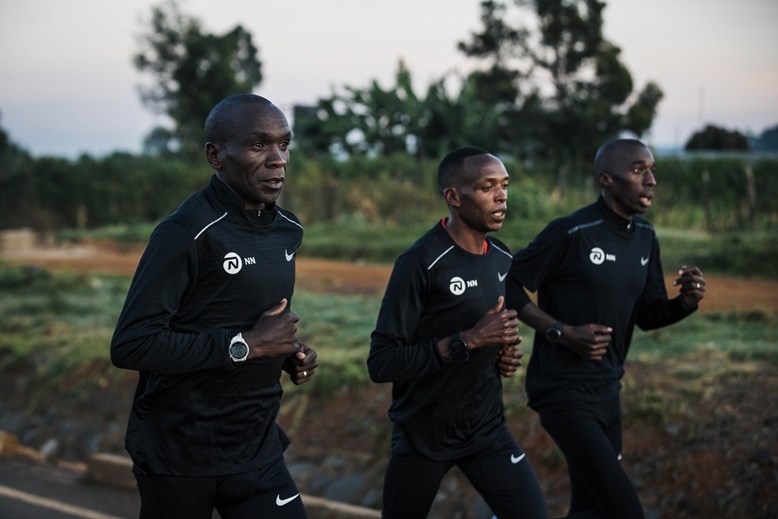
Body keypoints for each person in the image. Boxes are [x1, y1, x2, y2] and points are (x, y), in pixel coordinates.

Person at [111, 94, 318, 519]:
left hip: (256, 448)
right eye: (260, 145)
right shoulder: (185, 231)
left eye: (284, 144)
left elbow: (247, 323)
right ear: (216, 155)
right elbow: (132, 345)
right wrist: (245, 346)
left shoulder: (288, 230)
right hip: (180, 453)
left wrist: (285, 353)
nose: (278, 159)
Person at [506, 138, 706, 519]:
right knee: (625, 511)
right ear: (606, 180)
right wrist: (561, 332)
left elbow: (647, 315)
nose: (651, 180)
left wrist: (684, 304)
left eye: (652, 170)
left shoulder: (646, 237)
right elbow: (508, 283)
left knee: (592, 507)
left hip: (607, 390)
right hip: (561, 390)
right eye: (637, 170)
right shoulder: (571, 232)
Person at [368, 146, 549, 519]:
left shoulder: (501, 257)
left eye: (504, 185)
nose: (501, 197)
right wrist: (468, 341)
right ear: (453, 196)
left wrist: (499, 353)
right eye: (487, 187)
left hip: (486, 429)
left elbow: (489, 333)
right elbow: (381, 362)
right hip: (424, 436)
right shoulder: (420, 263)